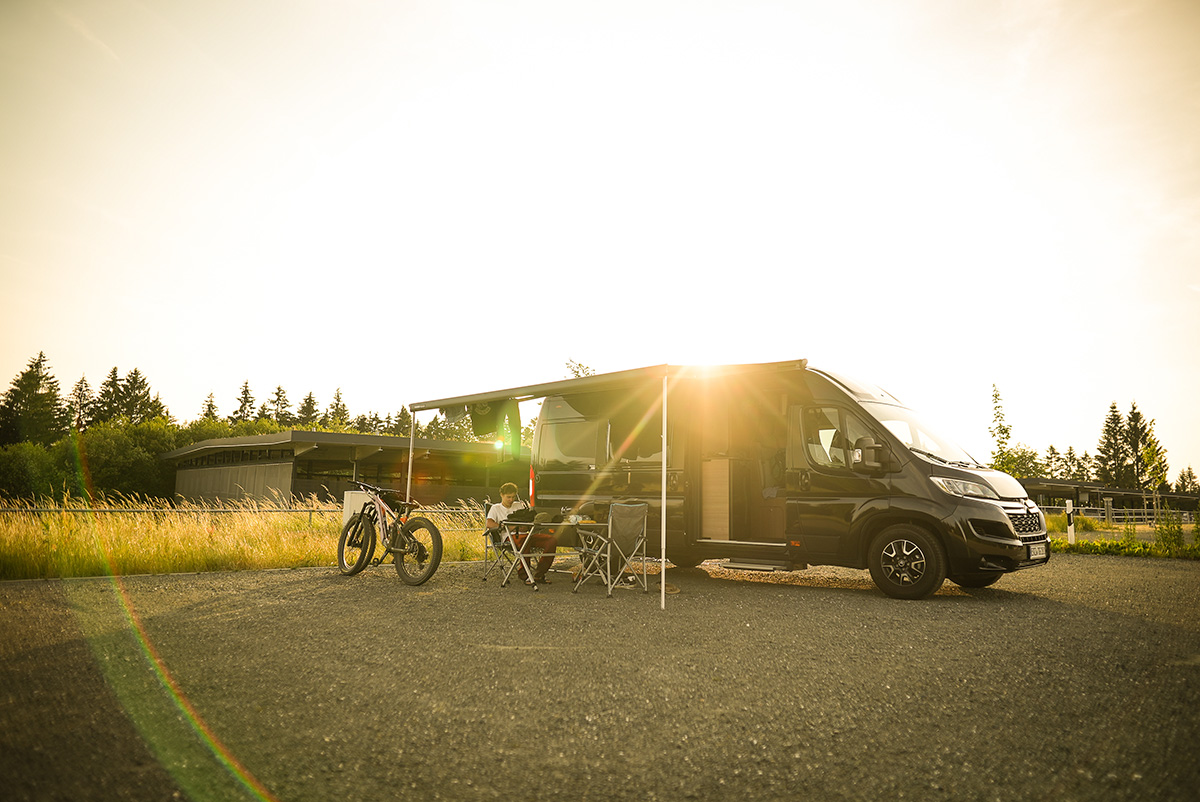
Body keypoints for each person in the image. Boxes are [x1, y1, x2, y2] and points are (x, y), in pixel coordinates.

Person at [486, 482, 558, 584]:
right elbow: (489, 523)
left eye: (513, 497)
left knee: (551, 540)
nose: (511, 500)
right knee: (525, 541)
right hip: (510, 537)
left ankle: (539, 574)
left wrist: (527, 525)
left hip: (526, 534)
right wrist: (504, 527)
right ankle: (525, 575)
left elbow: (527, 521)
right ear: (501, 495)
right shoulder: (496, 508)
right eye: (508, 497)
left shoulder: (519, 505)